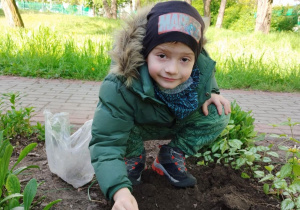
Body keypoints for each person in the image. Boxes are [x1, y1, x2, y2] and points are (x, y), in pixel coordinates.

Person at [89, 1, 231, 209]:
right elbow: (107, 143)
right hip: (137, 127)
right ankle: (133, 158)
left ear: (195, 58)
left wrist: (215, 93)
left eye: (184, 59)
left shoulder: (199, 68)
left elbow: (206, 74)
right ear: (145, 52)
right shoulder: (120, 84)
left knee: (218, 112)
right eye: (162, 55)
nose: (172, 69)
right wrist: (119, 191)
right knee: (120, 131)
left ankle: (169, 157)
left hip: (175, 121)